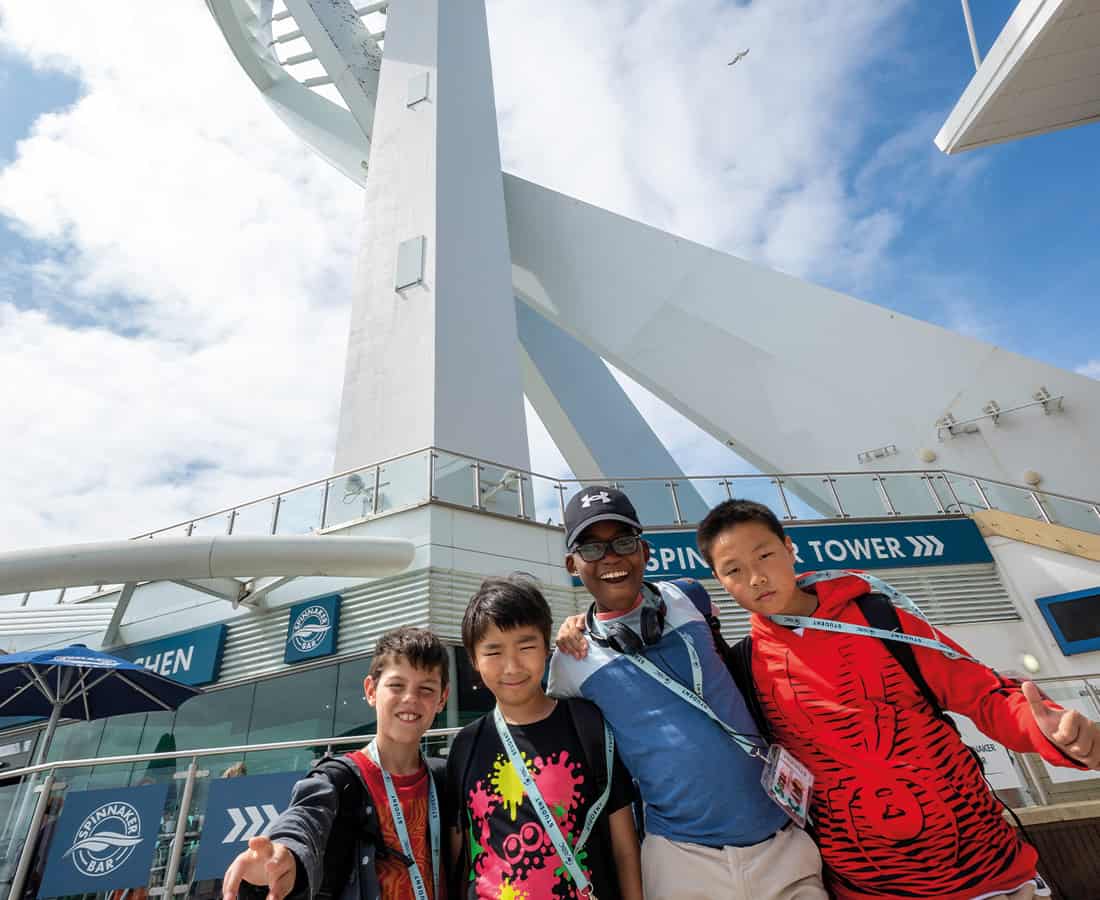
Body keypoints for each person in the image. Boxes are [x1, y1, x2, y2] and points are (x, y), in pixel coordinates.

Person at [695, 498, 1100, 900]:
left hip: (989, 873)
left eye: (764, 555)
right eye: (734, 571)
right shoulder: (745, 666)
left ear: (789, 548)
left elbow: (984, 695)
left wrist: (1048, 732)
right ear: (720, 582)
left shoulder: (880, 622)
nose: (756, 578)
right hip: (868, 887)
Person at [549, 486, 826, 900]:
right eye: (591, 548)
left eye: (623, 542)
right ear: (572, 564)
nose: (609, 557)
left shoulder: (691, 597)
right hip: (680, 859)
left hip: (781, 841)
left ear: (645, 551)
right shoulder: (570, 661)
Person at [446, 574, 643, 900]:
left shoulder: (586, 724)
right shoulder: (466, 745)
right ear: (473, 660)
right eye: (493, 652)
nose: (511, 666)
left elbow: (624, 845)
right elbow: (459, 854)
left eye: (526, 646)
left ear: (546, 645)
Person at [222, 626, 450, 900]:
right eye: (396, 685)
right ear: (371, 690)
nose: (410, 698)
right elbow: (304, 819)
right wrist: (286, 852)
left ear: (442, 699)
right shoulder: (337, 779)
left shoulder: (446, 778)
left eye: (426, 689)